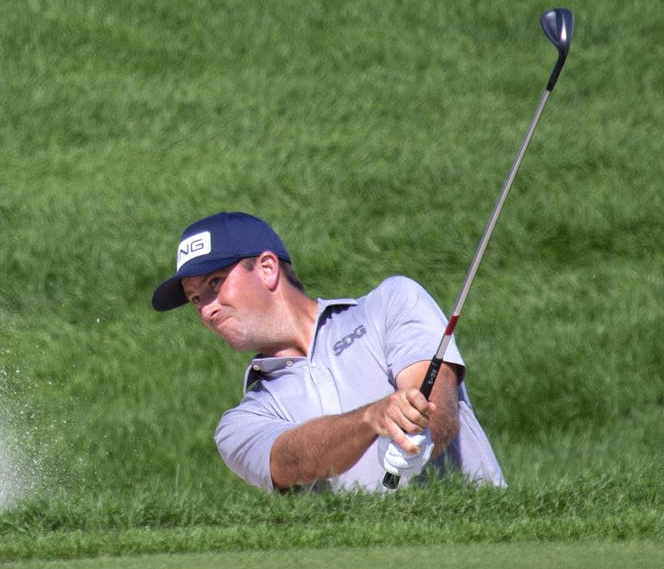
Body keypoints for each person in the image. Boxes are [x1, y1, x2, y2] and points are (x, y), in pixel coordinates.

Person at [151, 211, 506, 493]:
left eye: (214, 283)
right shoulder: (240, 423)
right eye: (196, 299)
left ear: (267, 268)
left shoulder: (390, 304)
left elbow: (436, 402)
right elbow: (292, 462)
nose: (206, 310)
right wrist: (370, 419)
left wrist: (419, 433)